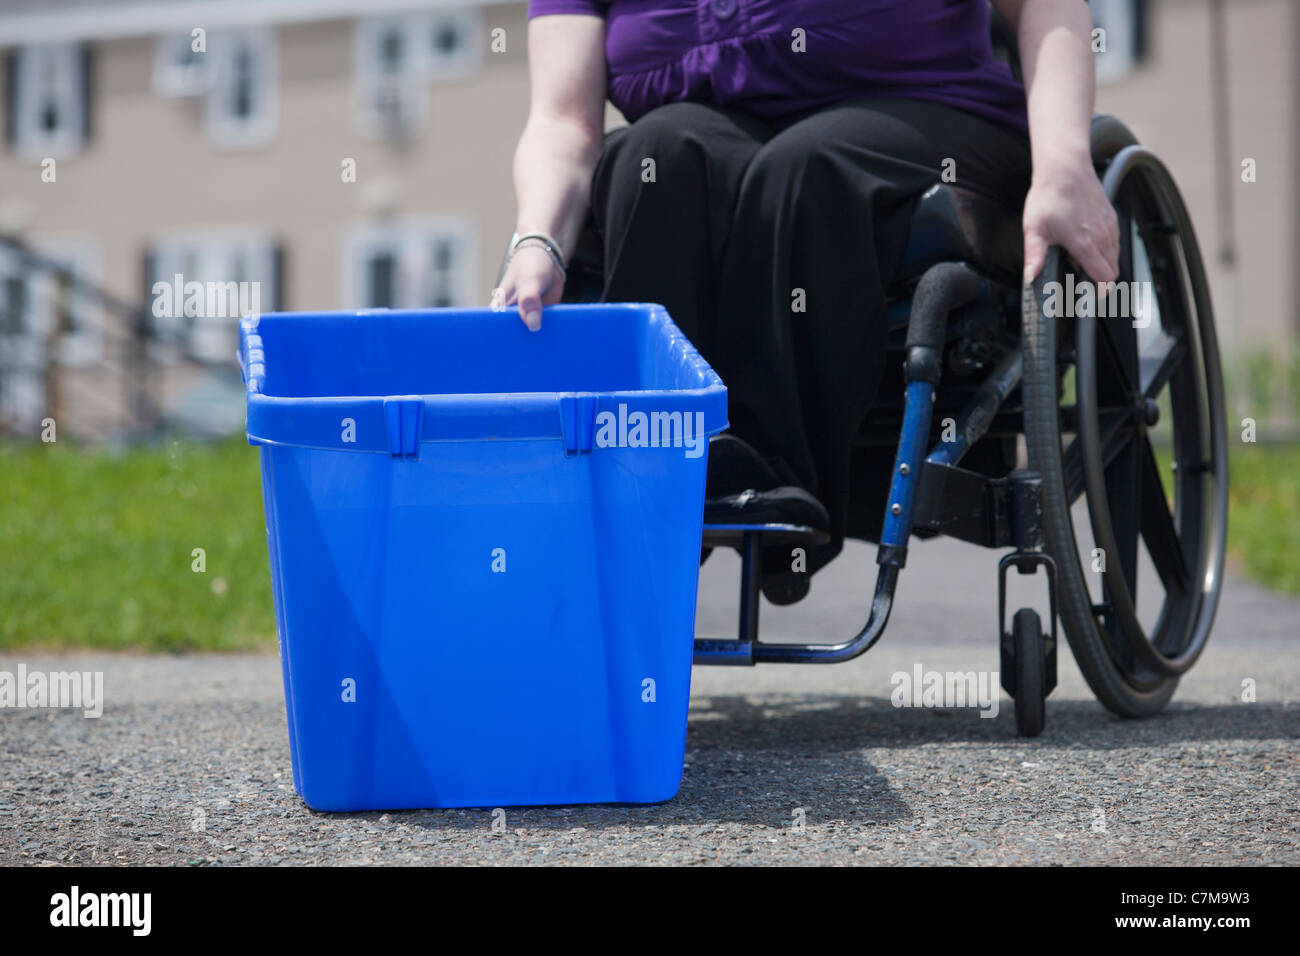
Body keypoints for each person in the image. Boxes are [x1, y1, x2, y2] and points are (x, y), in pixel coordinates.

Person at [494, 0, 1120, 602]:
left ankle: (770, 478)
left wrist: (1065, 166)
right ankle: (651, 475)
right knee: (652, 155)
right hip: (723, 137)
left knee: (805, 166)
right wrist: (537, 239)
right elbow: (562, 122)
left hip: (932, 115)